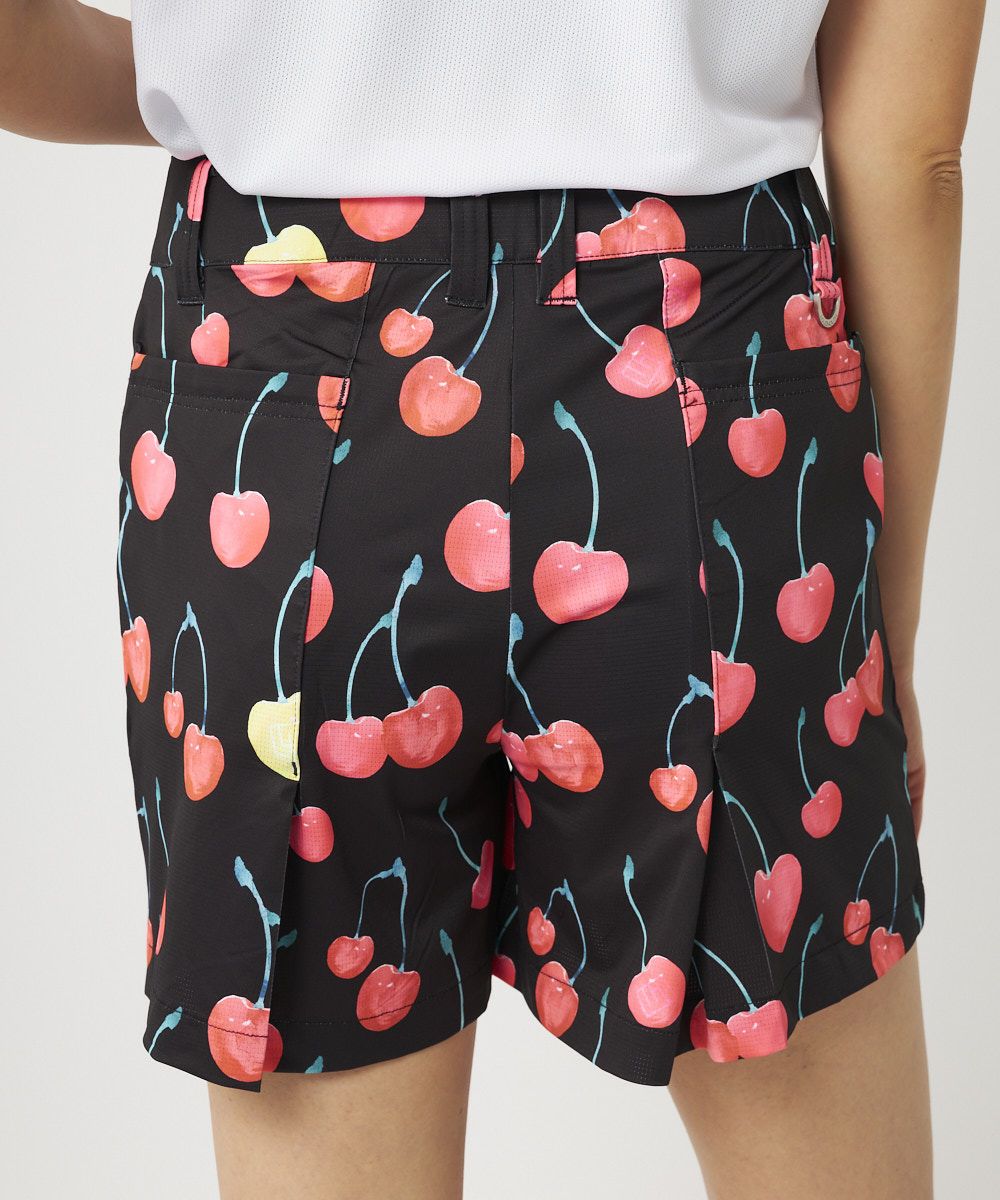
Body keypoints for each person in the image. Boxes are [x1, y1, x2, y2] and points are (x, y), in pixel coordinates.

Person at [0, 2, 985, 1197]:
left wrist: (215, 72)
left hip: (276, 379)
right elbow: (912, 155)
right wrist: (881, 621)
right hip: (705, 378)